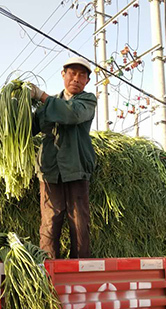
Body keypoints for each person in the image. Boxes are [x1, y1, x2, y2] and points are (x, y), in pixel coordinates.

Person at [30, 56, 97, 259]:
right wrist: (19, 105)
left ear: (87, 81)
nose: (76, 78)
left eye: (81, 75)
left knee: (78, 220)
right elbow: (32, 127)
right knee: (50, 220)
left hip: (76, 167)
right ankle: (48, 269)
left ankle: (81, 267)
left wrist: (41, 96)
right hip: (50, 169)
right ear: (63, 75)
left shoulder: (87, 100)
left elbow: (72, 115)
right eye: (72, 73)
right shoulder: (48, 104)